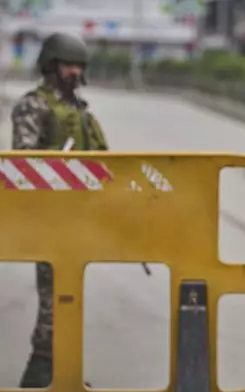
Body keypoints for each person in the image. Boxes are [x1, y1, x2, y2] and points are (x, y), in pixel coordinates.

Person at [11, 31, 108, 388]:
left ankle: (59, 369)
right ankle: (42, 370)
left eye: (79, 65)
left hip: (79, 217)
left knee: (70, 295)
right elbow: (21, 161)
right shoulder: (32, 105)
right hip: (49, 217)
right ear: (51, 66)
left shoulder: (79, 111)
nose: (75, 71)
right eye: (68, 64)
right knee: (54, 295)